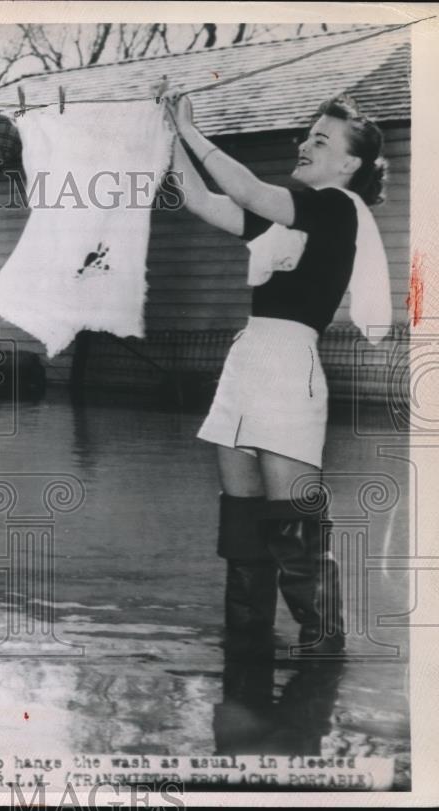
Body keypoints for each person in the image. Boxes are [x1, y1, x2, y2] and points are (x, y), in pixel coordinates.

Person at [165, 92, 392, 656]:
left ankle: (322, 662)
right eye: (306, 135)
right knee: (242, 528)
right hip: (244, 365)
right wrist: (166, 133)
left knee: (294, 527)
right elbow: (197, 198)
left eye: (320, 139)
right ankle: (246, 662)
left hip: (291, 370)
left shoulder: (337, 207)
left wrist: (192, 131)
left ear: (349, 165)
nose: (303, 144)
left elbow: (243, 188)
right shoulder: (288, 222)